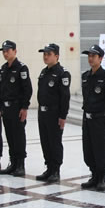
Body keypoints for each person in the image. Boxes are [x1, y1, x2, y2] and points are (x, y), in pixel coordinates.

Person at [79, 45, 105, 191]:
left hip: (100, 119)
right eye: (89, 56)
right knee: (88, 150)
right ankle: (94, 175)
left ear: (100, 58)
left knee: (100, 149)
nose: (90, 58)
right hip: (87, 118)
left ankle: (101, 178)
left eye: (93, 56)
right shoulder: (85, 76)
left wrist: (104, 115)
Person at [35, 43, 71, 183]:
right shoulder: (44, 72)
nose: (45, 56)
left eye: (48, 54)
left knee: (54, 142)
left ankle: (55, 170)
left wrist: (62, 116)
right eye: (44, 54)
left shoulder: (62, 73)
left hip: (54, 114)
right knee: (45, 141)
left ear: (56, 56)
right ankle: (49, 168)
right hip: (42, 113)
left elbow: (65, 97)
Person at [0, 40, 33, 177]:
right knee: (10, 137)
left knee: (18, 137)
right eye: (4, 51)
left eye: (8, 51)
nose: (5, 53)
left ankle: (20, 165)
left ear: (15, 51)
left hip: (17, 108)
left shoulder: (21, 68)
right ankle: (12, 163)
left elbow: (27, 89)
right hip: (6, 109)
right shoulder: (3, 68)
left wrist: (24, 107)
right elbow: (2, 89)